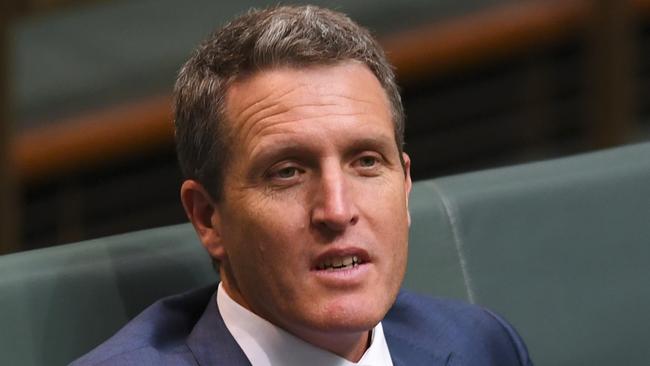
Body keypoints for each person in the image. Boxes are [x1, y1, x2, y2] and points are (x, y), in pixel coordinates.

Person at [72, 5, 532, 366]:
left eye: (366, 162)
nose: (336, 209)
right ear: (208, 217)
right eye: (287, 172)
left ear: (406, 184)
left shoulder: (482, 346)